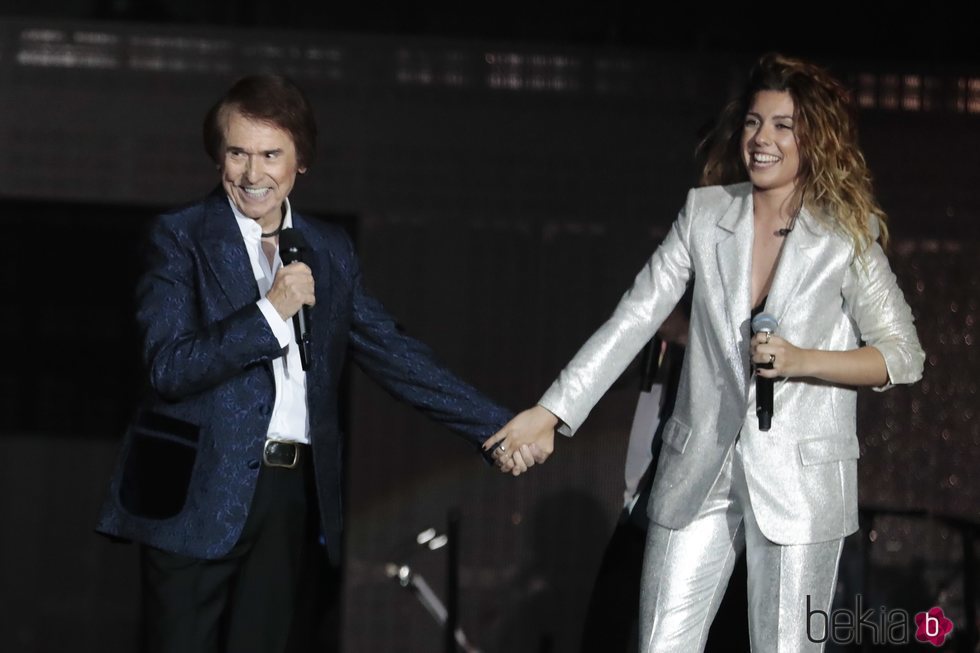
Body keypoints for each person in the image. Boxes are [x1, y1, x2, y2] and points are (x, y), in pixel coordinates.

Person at [484, 53, 925, 652]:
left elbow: (903, 356)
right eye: (752, 122)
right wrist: (552, 412)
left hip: (802, 479)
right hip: (699, 468)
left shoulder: (845, 233)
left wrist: (802, 360)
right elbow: (635, 317)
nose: (761, 139)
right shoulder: (704, 213)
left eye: (782, 125)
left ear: (814, 140)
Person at [96, 74, 511, 653]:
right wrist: (270, 313)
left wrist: (493, 425)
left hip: (289, 497)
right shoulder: (181, 236)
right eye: (237, 152)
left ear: (301, 163)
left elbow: (393, 352)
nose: (252, 173)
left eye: (270, 154)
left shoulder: (329, 250)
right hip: (195, 492)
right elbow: (169, 367)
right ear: (219, 155)